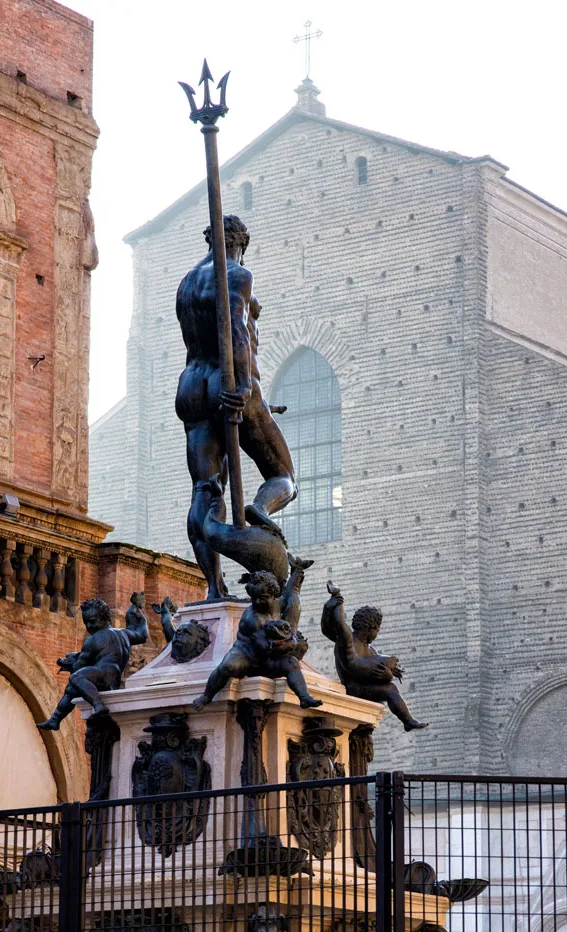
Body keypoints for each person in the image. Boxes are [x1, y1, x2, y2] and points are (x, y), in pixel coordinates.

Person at [175, 215, 296, 600]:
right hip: (231, 384)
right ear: (240, 244)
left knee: (205, 488)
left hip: (192, 385)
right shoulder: (237, 275)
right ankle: (260, 509)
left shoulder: (187, 283)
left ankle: (215, 588)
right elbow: (237, 330)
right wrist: (244, 387)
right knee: (284, 477)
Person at [192, 557, 322, 710]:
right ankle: (206, 696)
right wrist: (290, 646)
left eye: (263, 598)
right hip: (248, 656)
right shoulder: (251, 619)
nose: (258, 602)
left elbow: (292, 592)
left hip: (267, 659)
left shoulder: (278, 604)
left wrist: (297, 571)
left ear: (273, 595)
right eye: (254, 598)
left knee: (291, 664)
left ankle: (304, 697)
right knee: (227, 666)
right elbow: (265, 648)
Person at [321, 581, 427, 731]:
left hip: (364, 686)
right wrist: (336, 600)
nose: (377, 634)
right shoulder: (347, 640)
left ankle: (408, 721)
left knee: (390, 687)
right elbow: (336, 624)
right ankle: (408, 722)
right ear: (372, 628)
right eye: (377, 630)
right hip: (352, 689)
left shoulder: (371, 651)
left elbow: (376, 673)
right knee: (389, 690)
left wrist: (388, 674)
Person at [37, 593, 148, 727]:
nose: (89, 626)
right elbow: (142, 635)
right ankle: (55, 720)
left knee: (76, 678)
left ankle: (98, 705)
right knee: (71, 690)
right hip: (113, 678)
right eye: (86, 623)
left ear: (105, 618)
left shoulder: (93, 640)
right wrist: (141, 618)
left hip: (103, 676)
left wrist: (72, 662)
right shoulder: (123, 634)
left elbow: (79, 667)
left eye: (92, 621)